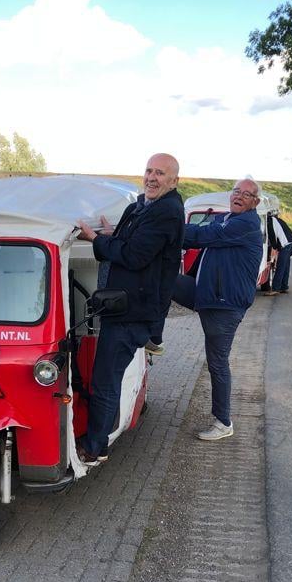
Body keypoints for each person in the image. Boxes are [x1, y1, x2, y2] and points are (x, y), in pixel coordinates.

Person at [74, 153, 184, 466]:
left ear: (173, 181)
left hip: (131, 313)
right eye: (149, 170)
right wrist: (113, 235)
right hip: (125, 309)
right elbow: (134, 242)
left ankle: (96, 447)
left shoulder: (166, 212)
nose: (152, 177)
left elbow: (135, 256)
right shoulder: (145, 206)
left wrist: (95, 239)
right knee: (107, 376)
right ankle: (100, 434)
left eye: (160, 173)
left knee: (105, 380)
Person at [172, 178, 264, 441]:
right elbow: (202, 227)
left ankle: (223, 422)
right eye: (236, 191)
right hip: (208, 295)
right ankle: (151, 335)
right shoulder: (228, 219)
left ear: (254, 203)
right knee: (163, 279)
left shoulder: (245, 225)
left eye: (247, 195)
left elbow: (203, 236)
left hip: (224, 306)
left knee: (217, 363)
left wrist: (168, 230)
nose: (239, 196)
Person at [266, 210, 292, 294]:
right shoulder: (277, 220)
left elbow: (272, 236)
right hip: (291, 242)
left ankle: (275, 289)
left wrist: (275, 247)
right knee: (285, 266)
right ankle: (284, 286)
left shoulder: (269, 221)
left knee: (280, 266)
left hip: (285, 244)